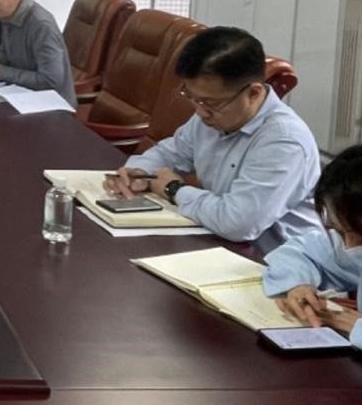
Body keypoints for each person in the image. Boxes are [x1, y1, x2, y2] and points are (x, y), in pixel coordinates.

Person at [105, 26, 320, 243]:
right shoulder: (212, 116)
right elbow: (170, 153)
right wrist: (140, 172)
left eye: (211, 103)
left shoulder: (284, 141)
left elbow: (238, 223)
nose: (200, 112)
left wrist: (174, 189)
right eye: (192, 97)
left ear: (253, 93)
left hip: (271, 256)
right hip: (218, 239)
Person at [263, 142, 362, 398]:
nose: (349, 247)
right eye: (341, 232)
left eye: (360, 234)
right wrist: (298, 285)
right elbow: (300, 250)